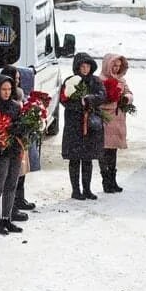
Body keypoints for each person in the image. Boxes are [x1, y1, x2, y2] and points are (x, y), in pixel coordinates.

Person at [60, 52, 106, 200]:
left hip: (91, 125)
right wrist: (78, 105)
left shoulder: (96, 81)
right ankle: (75, 190)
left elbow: (102, 96)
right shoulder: (70, 80)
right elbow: (64, 99)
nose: (85, 69)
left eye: (87, 66)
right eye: (82, 66)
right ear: (77, 67)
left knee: (88, 158)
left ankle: (87, 189)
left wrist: (90, 100)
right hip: (74, 124)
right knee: (75, 158)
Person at [0, 73, 25, 234]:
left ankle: (7, 217)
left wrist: (19, 129)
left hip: (14, 150)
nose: (7, 92)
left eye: (9, 89)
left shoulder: (15, 106)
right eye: (3, 89)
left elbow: (21, 125)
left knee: (11, 184)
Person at [99, 54, 132, 193]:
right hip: (105, 119)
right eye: (114, 65)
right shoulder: (100, 80)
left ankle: (113, 180)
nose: (116, 68)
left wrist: (126, 98)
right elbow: (98, 99)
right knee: (104, 151)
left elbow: (129, 93)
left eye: (119, 66)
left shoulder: (121, 80)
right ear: (108, 65)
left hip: (117, 121)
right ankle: (106, 181)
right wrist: (111, 99)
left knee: (113, 151)